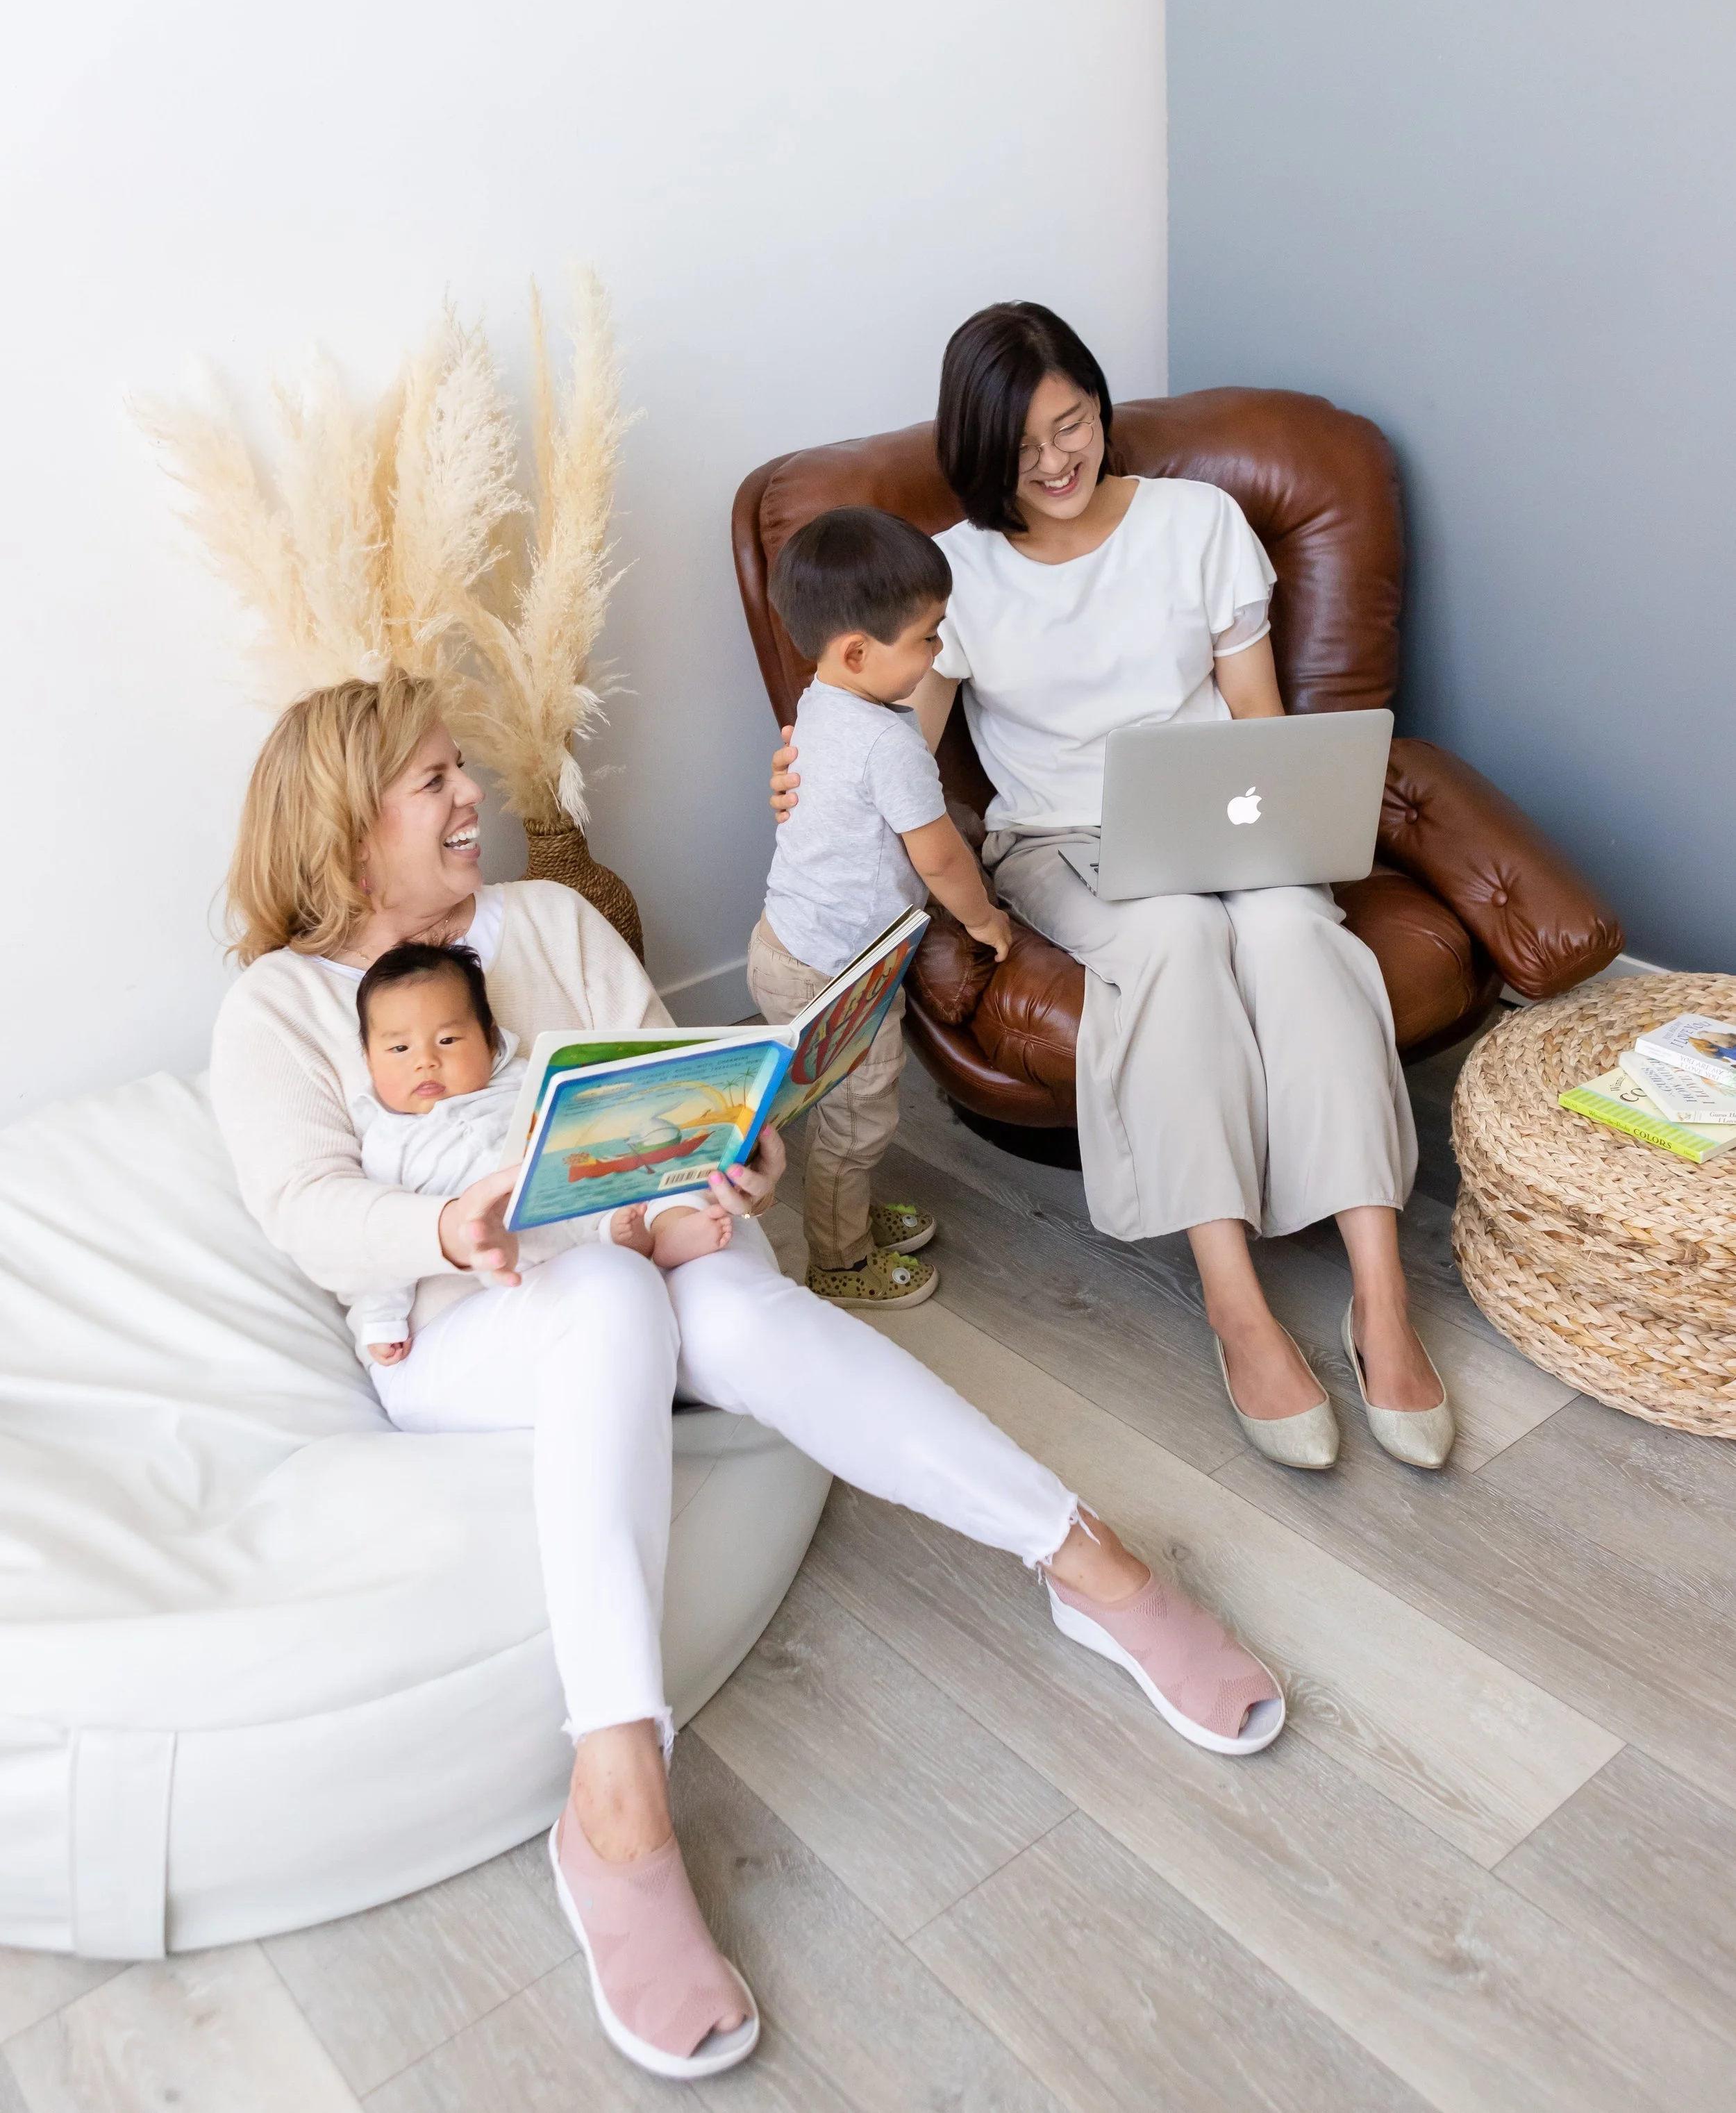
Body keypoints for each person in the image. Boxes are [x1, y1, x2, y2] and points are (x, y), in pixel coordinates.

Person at [209, 673, 1285, 2085]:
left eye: (461, 767)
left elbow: (665, 1084)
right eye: (433, 781)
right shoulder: (278, 1007)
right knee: (602, 1294)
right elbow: (301, 1207)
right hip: (469, 1316)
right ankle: (616, 1799)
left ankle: (1081, 1560)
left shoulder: (544, 920)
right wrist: (443, 1226)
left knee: (737, 1324)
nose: (471, 795)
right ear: (347, 824)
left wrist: (741, 1154)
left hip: (647, 1247)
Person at [774, 303, 1454, 1475]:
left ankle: (1380, 1296)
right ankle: (1237, 1302)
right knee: (1174, 948)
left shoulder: (1200, 523)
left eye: (1073, 425)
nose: (1055, 464)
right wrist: (812, 754)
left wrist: (1284, 828)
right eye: (1022, 450)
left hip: (1223, 807)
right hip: (1061, 842)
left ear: (1100, 405)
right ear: (982, 459)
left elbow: (1257, 716)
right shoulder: (963, 574)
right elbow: (901, 734)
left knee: (1298, 937)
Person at [749, 506, 1012, 1307]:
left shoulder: (821, 705)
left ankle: (844, 1215)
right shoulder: (889, 743)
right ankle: (840, 1258)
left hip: (784, 945)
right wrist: (983, 920)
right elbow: (936, 854)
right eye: (928, 638)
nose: (938, 651)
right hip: (838, 978)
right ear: (858, 651)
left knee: (839, 1114)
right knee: (857, 1123)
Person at [347, 939, 730, 1366]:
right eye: (399, 1049)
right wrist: (382, 1321)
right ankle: (628, 1248)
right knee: (535, 1265)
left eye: (449, 1039)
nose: (426, 1061)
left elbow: (587, 1115)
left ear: (488, 1039)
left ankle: (667, 1230)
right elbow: (386, 1239)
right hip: (523, 1257)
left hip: (595, 1191)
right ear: (368, 1059)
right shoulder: (388, 1142)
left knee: (662, 1165)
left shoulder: (525, 1080)